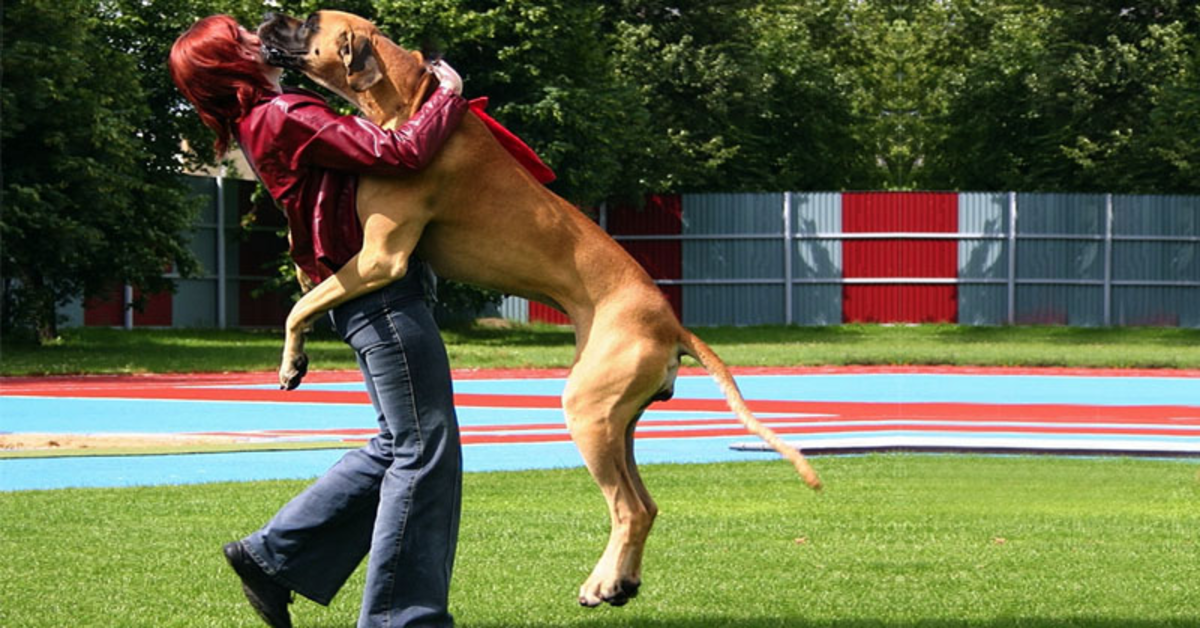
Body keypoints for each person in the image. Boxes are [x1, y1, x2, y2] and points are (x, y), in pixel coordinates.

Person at [169, 15, 466, 628]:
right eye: (243, 38)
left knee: (397, 445)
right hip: (380, 298)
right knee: (423, 449)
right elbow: (401, 152)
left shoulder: (266, 119)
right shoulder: (283, 116)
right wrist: (445, 96)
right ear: (233, 63)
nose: (259, 36)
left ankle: (272, 558)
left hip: (364, 295)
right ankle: (398, 619)